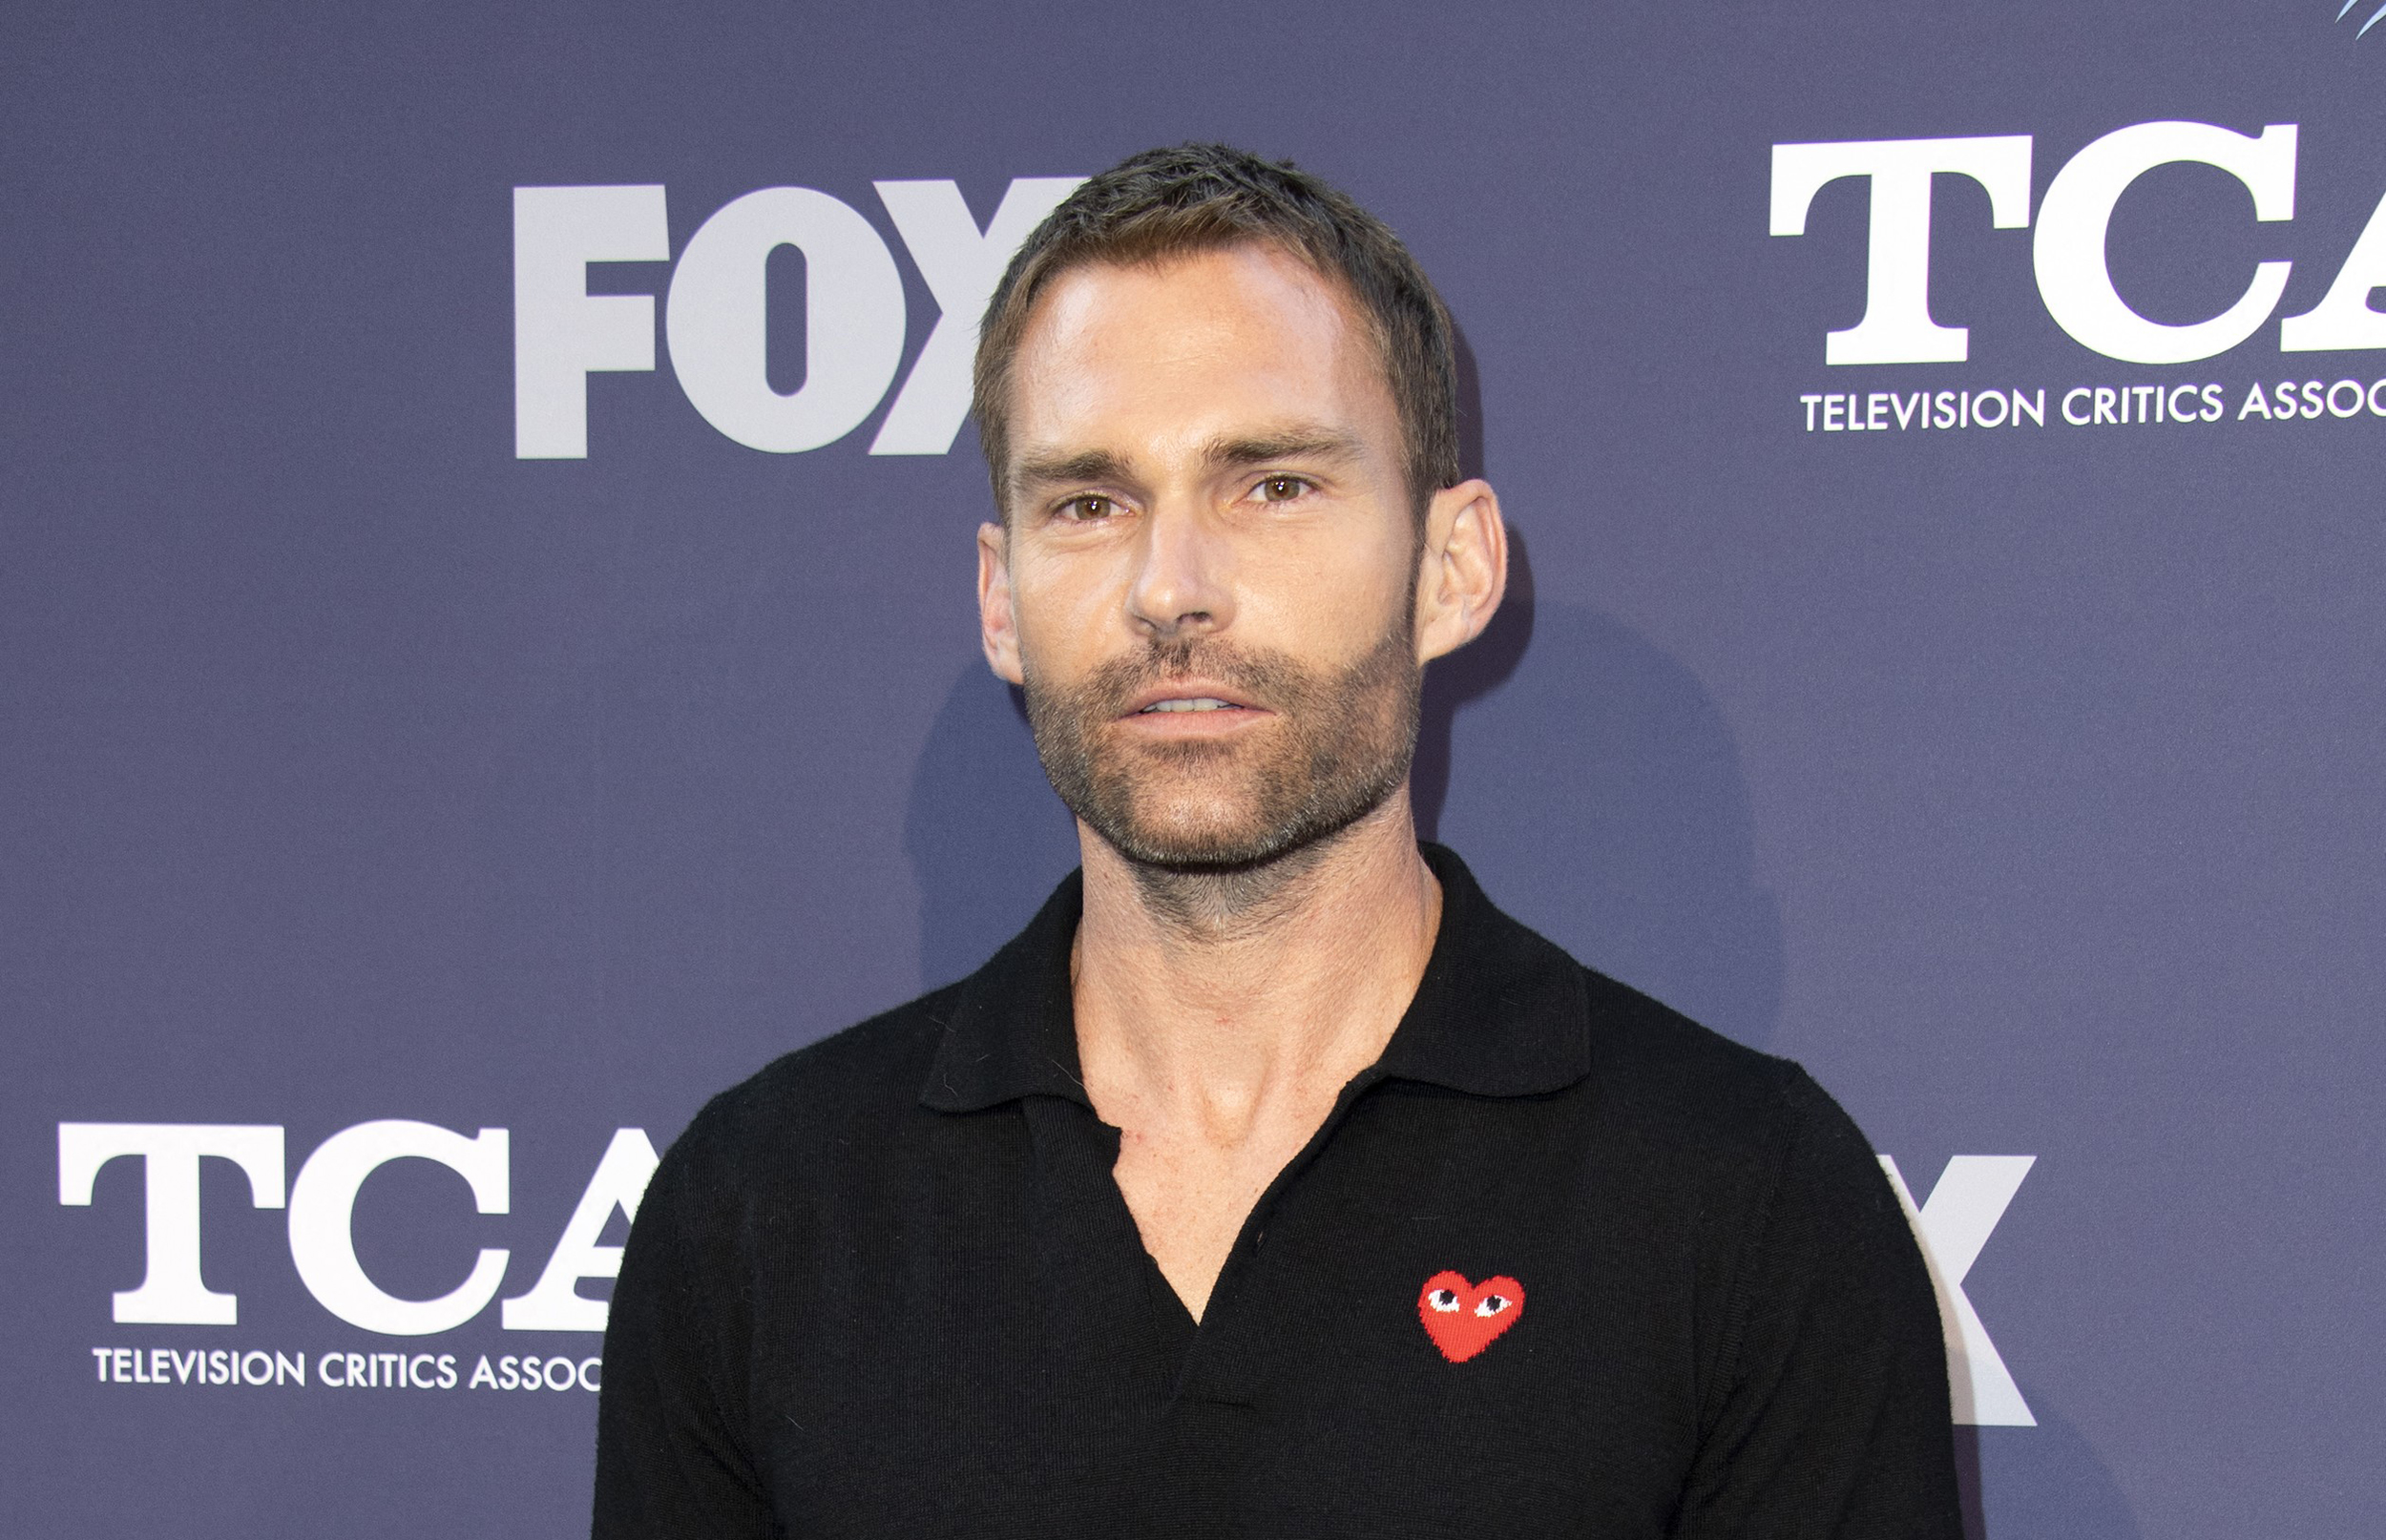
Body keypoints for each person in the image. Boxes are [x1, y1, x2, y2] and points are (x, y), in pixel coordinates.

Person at [594, 143, 1961, 1539]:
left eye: (1273, 484)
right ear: (1001, 598)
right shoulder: (759, 1214)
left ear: (1452, 567)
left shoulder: (1750, 1199)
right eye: (1089, 502)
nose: (1170, 587)